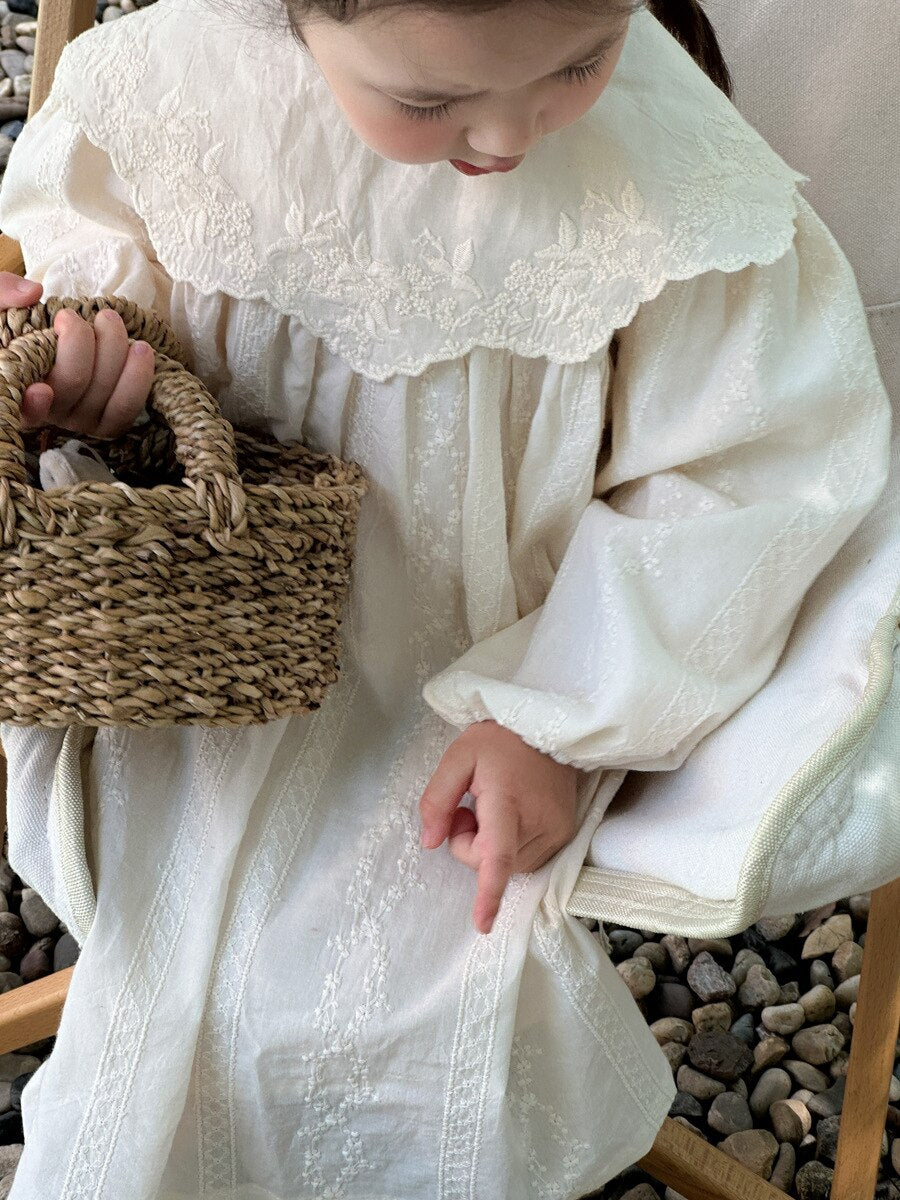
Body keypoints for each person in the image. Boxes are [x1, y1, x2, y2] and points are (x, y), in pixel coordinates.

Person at [0, 0, 890, 1195]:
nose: (510, 138)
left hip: (503, 668)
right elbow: (107, 309)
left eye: (583, 59)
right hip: (207, 652)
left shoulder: (672, 166)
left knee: (397, 1013)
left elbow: (745, 471)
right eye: (427, 103)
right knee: (191, 981)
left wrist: (564, 717)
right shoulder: (173, 101)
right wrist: (104, 374)